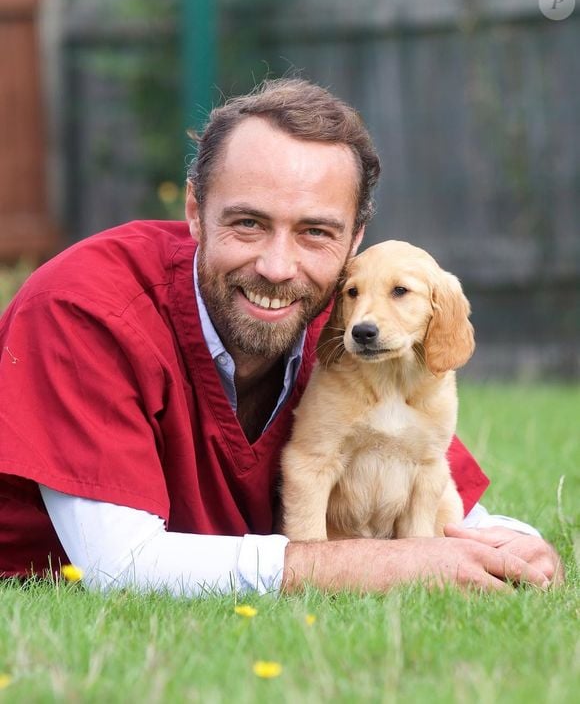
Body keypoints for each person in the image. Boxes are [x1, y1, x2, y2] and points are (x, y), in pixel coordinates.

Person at [0, 79, 562, 594]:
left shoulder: (340, 321)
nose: (276, 267)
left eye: (315, 232)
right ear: (196, 210)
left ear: (353, 241)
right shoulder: (84, 311)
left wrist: (514, 541)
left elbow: (424, 474)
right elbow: (116, 566)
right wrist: (385, 565)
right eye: (248, 223)